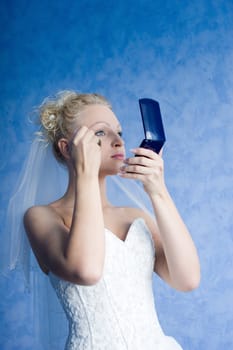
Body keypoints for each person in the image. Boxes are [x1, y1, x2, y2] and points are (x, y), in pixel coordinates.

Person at [12, 91, 200, 349]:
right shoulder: (41, 217)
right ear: (67, 148)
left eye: (119, 133)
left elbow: (187, 279)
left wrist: (158, 190)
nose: (118, 141)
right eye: (101, 133)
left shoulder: (136, 217)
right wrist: (85, 175)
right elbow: (86, 271)